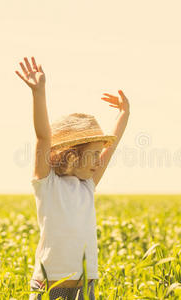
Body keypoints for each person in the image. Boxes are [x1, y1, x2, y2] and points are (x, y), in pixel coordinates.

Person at [15, 56, 130, 299]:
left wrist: (123, 115)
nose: (100, 160)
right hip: (50, 287)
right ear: (72, 156)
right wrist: (39, 92)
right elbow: (43, 138)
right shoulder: (47, 185)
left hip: (84, 286)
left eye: (101, 154)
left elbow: (113, 147)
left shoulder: (87, 185)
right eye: (94, 154)